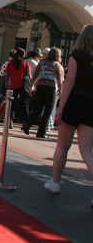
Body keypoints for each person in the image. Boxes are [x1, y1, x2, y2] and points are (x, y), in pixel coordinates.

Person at [44, 26, 93, 202]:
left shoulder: (77, 55)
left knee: (63, 146)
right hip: (91, 106)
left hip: (74, 103)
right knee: (87, 150)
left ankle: (55, 182)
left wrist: (61, 106)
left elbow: (70, 81)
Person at [24, 47, 63, 139]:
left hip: (40, 86)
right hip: (50, 87)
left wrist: (31, 87)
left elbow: (35, 75)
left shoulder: (41, 62)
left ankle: (27, 123)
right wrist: (60, 90)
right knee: (48, 111)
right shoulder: (57, 64)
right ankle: (41, 132)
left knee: (38, 108)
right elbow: (59, 79)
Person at [5, 48, 30, 125]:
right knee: (24, 104)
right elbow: (30, 76)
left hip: (13, 86)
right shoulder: (25, 64)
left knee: (11, 104)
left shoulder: (10, 64)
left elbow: (8, 76)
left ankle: (10, 121)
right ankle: (25, 122)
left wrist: (6, 86)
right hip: (23, 86)